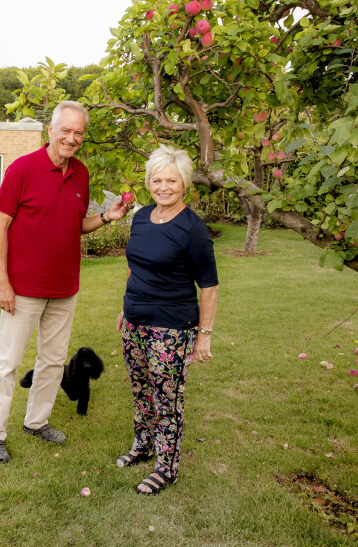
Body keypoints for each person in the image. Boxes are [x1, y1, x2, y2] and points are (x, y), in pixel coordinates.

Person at [0, 101, 132, 464]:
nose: (72, 138)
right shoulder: (22, 169)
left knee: (52, 361)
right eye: (65, 130)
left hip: (65, 287)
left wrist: (106, 218)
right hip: (23, 287)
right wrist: (3, 282)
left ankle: (36, 421)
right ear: (50, 130)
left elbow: (74, 225)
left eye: (79, 132)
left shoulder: (80, 173)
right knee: (8, 362)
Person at [114, 146, 219, 495]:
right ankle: (143, 446)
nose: (163, 187)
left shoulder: (193, 230)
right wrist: (125, 308)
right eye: (157, 180)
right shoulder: (142, 216)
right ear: (149, 183)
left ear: (184, 184)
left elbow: (209, 287)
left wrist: (203, 336)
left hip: (171, 328)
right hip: (135, 321)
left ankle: (167, 467)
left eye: (171, 180)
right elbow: (136, 266)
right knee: (141, 391)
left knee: (167, 399)